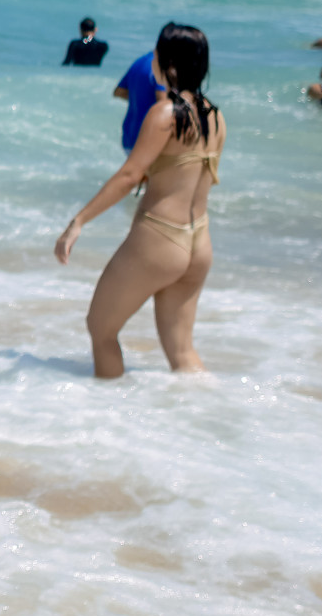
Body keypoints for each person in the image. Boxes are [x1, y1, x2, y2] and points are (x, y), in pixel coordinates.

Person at [55, 23, 225, 379]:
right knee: (182, 350)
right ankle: (205, 417)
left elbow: (130, 175)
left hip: (160, 239)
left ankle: (108, 423)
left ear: (168, 62)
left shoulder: (165, 114)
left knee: (101, 330)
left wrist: (79, 221)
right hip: (199, 242)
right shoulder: (214, 115)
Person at [113, 45, 167, 151]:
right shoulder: (160, 66)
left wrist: (141, 98)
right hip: (148, 139)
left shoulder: (139, 62)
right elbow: (163, 104)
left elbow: (119, 92)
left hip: (129, 137)